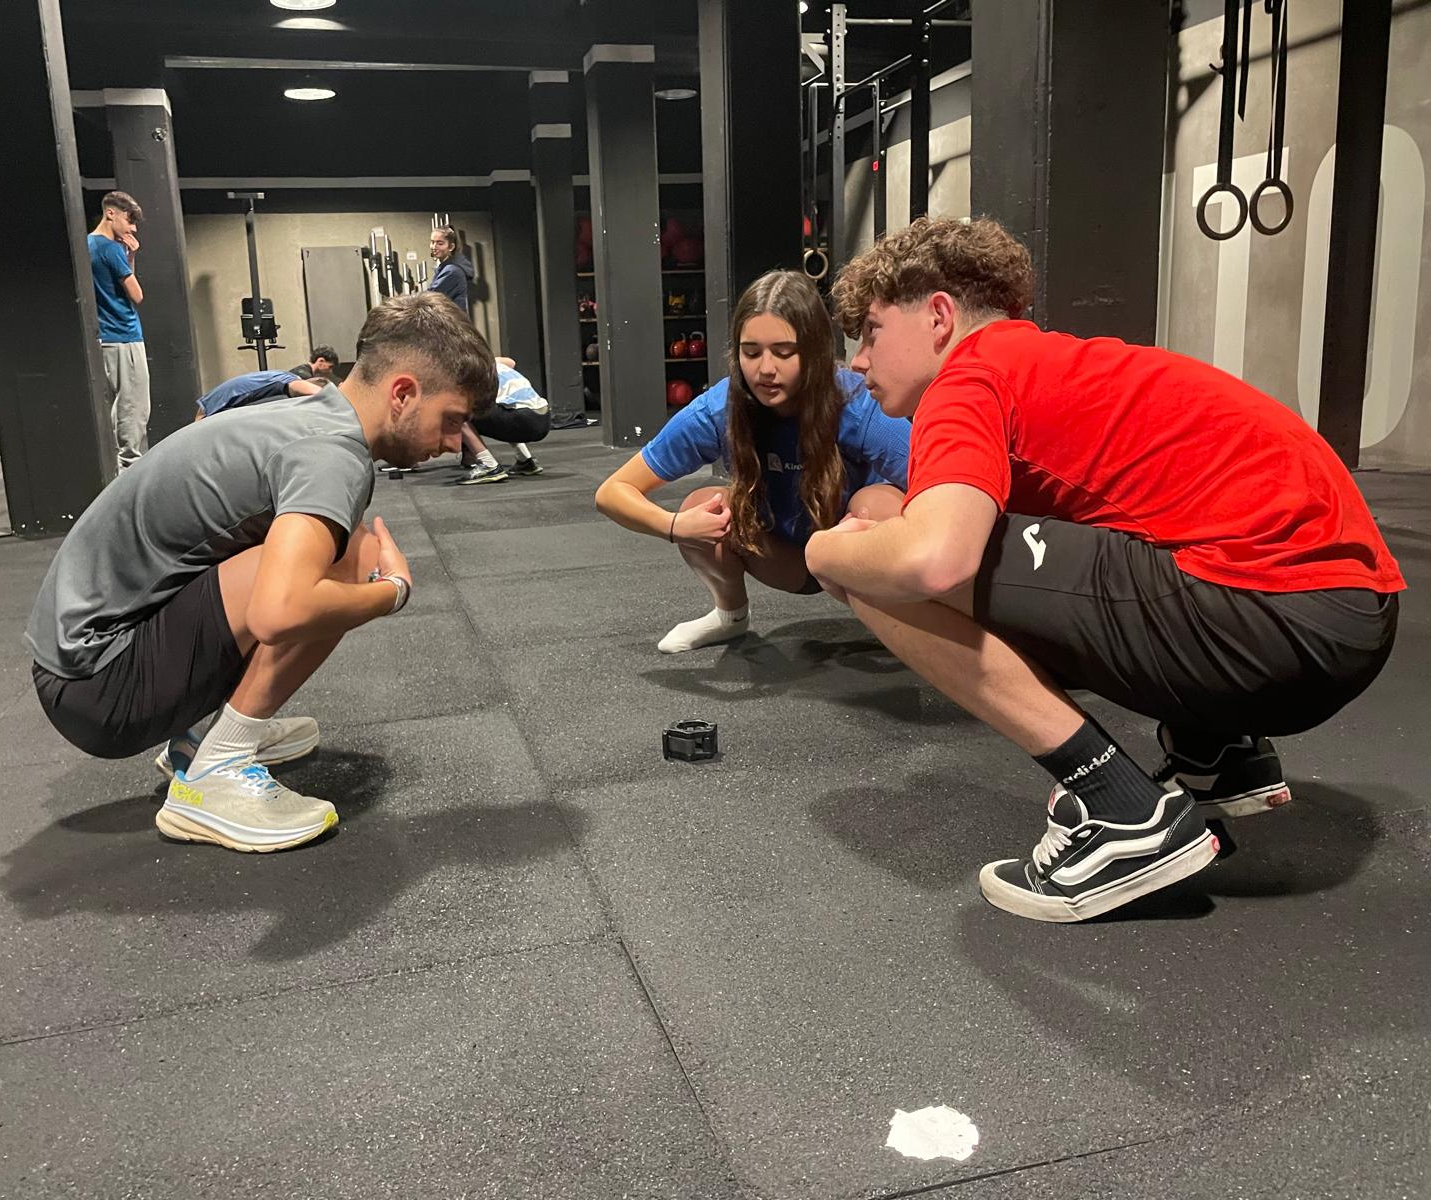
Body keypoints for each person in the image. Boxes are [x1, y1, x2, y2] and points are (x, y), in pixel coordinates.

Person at [807, 216, 1404, 924]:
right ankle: (1216, 752)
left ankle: (1122, 811)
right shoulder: (1058, 366)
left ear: (939, 316)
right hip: (1349, 613)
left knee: (877, 565)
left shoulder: (969, 379)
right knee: (912, 520)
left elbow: (932, 558)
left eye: (870, 332)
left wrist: (824, 553)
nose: (857, 362)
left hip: (1272, 617)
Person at [24, 293, 497, 853]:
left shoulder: (308, 413)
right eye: (453, 421)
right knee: (354, 561)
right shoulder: (332, 457)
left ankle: (203, 733)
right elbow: (281, 611)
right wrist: (391, 593)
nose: (451, 445)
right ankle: (213, 773)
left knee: (320, 551)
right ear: (402, 393)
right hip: (97, 686)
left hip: (82, 662)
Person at [594, 270, 912, 653]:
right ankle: (729, 616)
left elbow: (937, 488)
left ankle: (905, 624)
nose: (764, 369)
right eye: (751, 352)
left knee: (880, 505)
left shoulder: (855, 404)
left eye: (783, 352)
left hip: (851, 557)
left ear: (812, 351)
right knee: (701, 506)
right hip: (783, 558)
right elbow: (612, 492)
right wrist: (675, 526)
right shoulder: (720, 410)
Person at [88, 190, 150, 471]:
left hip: (104, 338)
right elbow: (136, 295)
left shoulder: (87, 244)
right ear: (110, 213)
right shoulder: (110, 248)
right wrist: (128, 254)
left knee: (116, 404)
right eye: (129, 219)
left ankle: (118, 465)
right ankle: (130, 469)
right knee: (133, 406)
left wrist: (129, 256)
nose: (133, 227)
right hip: (124, 335)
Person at [456, 356, 551, 484]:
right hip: (543, 417)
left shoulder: (467, 372)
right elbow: (511, 362)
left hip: (524, 419)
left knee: (457, 414)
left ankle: (489, 465)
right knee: (504, 405)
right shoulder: (492, 363)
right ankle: (525, 461)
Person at [194, 368, 325, 420]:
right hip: (212, 408)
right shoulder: (291, 380)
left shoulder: (282, 376)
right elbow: (312, 391)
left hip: (210, 402)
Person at [427, 225, 474, 314]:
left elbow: (429, 297)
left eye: (440, 243)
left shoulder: (452, 271)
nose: (434, 247)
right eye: (432, 242)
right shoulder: (445, 267)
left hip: (451, 325)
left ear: (451, 247)